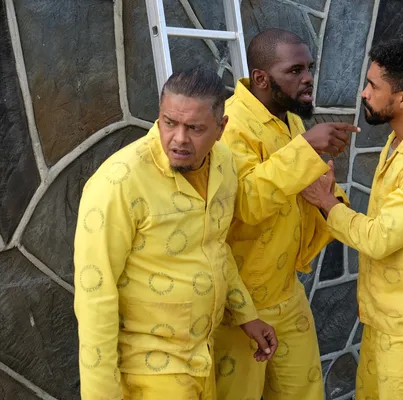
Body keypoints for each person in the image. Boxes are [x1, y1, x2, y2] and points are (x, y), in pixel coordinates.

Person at [73, 67, 278, 400]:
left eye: (195, 128)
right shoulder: (118, 182)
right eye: (169, 123)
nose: (179, 138)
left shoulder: (224, 164)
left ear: (221, 128)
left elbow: (216, 247)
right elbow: (94, 294)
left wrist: (246, 315)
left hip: (202, 358)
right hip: (149, 372)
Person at [301, 39, 403, 399]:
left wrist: (327, 204)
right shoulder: (401, 141)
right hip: (387, 317)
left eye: (373, 86)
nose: (364, 93)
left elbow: (379, 239)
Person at [213, 28, 357, 400]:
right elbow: (246, 203)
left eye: (309, 68)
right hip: (239, 305)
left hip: (287, 292)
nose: (307, 78)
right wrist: (307, 146)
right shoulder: (230, 125)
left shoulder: (288, 116)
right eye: (295, 70)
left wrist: (334, 204)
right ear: (261, 78)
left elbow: (303, 182)